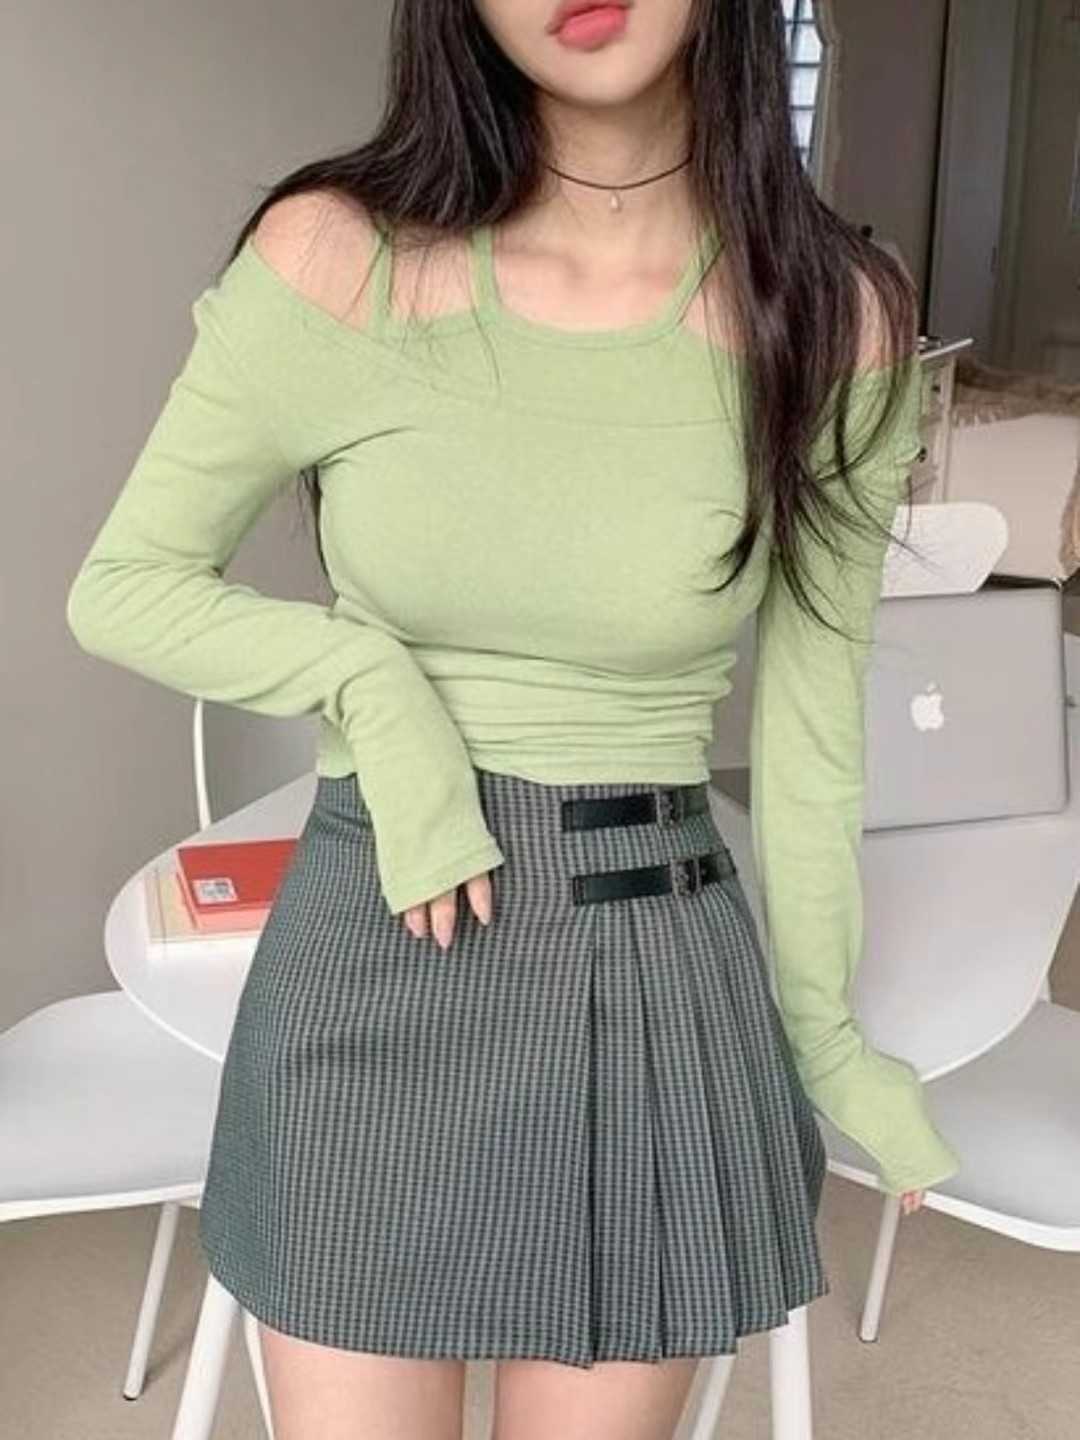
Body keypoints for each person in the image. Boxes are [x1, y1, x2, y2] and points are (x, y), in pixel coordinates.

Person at [65, 1, 961, 1436]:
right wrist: (374, 686)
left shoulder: (832, 313)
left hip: (651, 958)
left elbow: (811, 738)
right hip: (378, 937)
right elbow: (124, 587)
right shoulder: (337, 254)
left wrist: (829, 1041)